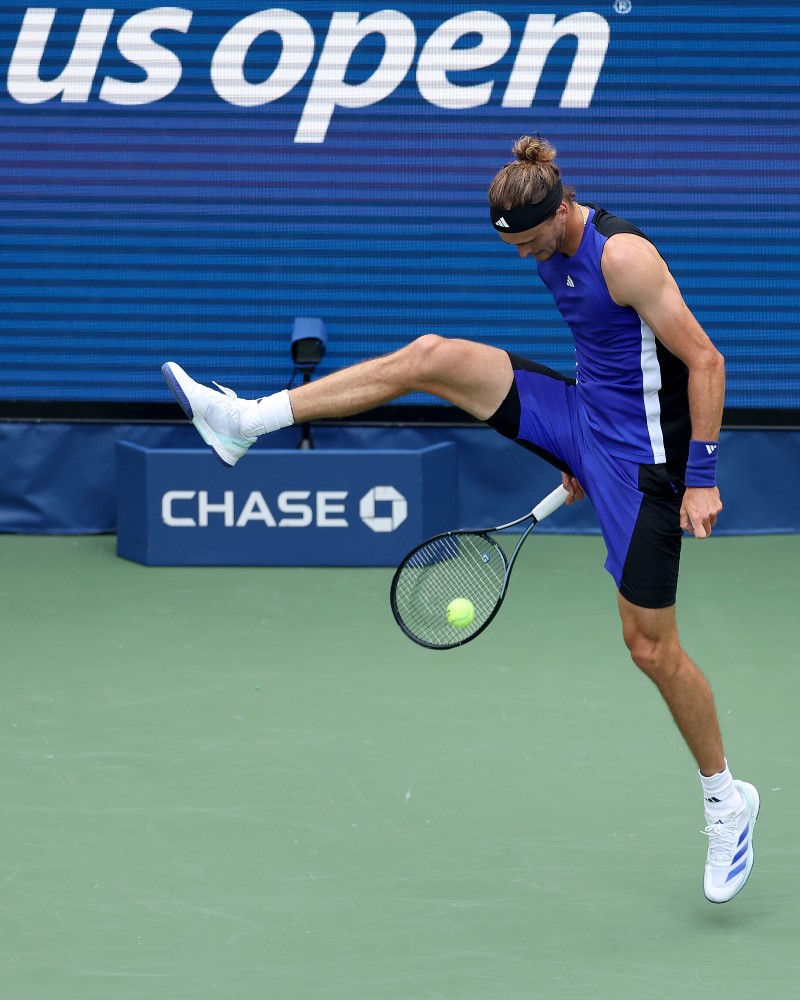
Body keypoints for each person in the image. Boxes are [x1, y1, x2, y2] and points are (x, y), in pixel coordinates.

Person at [162, 134, 758, 904]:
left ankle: (725, 799)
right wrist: (568, 445)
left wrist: (701, 480)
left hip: (646, 462)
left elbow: (706, 361)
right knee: (431, 357)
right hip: (584, 416)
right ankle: (247, 420)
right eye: (514, 245)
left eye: (533, 243)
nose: (524, 259)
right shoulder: (543, 243)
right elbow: (605, 351)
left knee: (649, 648)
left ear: (562, 211)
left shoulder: (624, 258)